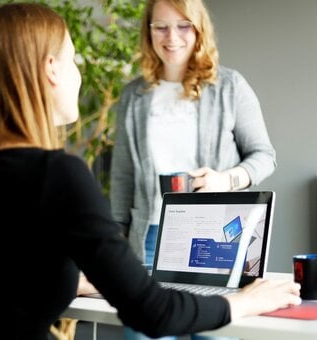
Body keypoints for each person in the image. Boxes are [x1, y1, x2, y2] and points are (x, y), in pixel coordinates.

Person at [0, 2, 299, 340]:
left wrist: (72, 281)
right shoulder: (59, 173)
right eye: (73, 61)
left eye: (183, 26)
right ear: (51, 69)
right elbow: (155, 313)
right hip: (148, 236)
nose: (79, 75)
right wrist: (245, 302)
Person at [110, 0, 277, 338]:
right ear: (148, 32)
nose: (171, 37)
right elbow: (123, 175)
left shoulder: (230, 86)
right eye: (160, 26)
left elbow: (264, 155)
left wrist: (226, 179)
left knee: (213, 331)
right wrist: (114, 240)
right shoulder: (133, 96)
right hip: (151, 240)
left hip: (217, 237)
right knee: (145, 331)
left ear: (199, 29)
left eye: (183, 25)